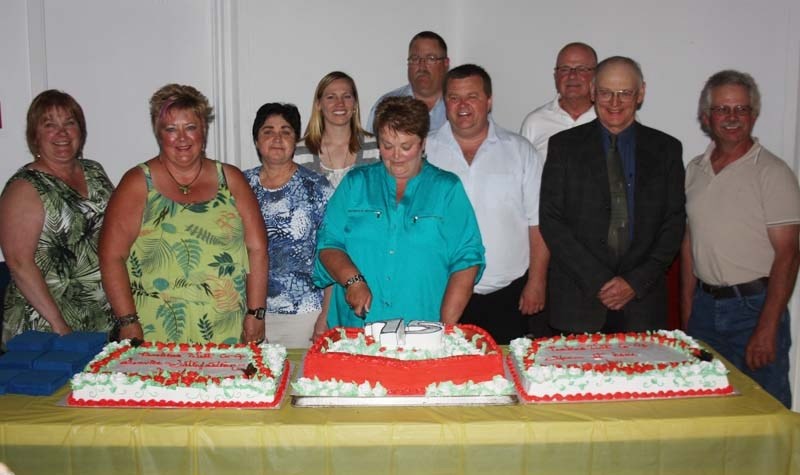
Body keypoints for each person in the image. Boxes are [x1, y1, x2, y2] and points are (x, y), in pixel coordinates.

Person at [99, 84, 268, 344]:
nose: (182, 138)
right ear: (159, 133)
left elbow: (257, 249)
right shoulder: (137, 183)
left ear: (204, 130)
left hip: (228, 330)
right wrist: (127, 321)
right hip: (154, 330)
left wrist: (256, 313)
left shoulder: (231, 179)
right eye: (171, 129)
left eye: (190, 127)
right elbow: (112, 257)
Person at [540, 56, 685, 334]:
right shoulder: (563, 147)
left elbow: (674, 223)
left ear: (640, 93)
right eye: (606, 92)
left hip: (642, 302)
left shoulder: (666, 149)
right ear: (593, 91)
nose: (614, 102)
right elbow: (551, 219)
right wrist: (599, 281)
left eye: (624, 93)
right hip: (578, 301)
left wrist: (634, 282)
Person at [681, 70, 799, 408]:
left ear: (753, 115)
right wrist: (688, 309)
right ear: (707, 117)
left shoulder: (772, 173)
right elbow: (690, 243)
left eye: (741, 109)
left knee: (766, 412)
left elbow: (789, 255)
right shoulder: (694, 170)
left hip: (754, 310)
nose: (732, 118)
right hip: (704, 309)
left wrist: (767, 327)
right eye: (722, 109)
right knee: (710, 411)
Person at [314, 96, 484, 328]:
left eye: (406, 147)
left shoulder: (447, 189)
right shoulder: (356, 183)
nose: (396, 156)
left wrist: (446, 325)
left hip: (422, 325)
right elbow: (328, 242)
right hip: (359, 325)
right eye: (387, 146)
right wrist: (352, 280)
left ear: (423, 143)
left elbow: (467, 258)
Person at [426, 64, 547, 344]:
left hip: (508, 294)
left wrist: (537, 282)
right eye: (454, 98)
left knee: (504, 375)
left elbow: (537, 223)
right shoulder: (425, 151)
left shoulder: (520, 151)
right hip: (440, 291)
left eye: (473, 96)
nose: (463, 105)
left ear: (489, 101)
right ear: (445, 103)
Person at [0, 90, 114, 346]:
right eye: (50, 125)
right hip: (45, 325)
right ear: (35, 136)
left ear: (80, 131)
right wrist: (60, 327)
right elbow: (19, 263)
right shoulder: (24, 187)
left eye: (69, 123)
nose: (61, 133)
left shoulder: (94, 171)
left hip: (99, 318)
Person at [244, 103, 333, 347]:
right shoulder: (239, 186)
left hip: (304, 316)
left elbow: (334, 252)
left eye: (286, 131)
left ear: (295, 140)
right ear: (256, 140)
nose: (277, 138)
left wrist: (325, 316)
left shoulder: (317, 188)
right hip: (247, 314)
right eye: (268, 131)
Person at [294, 71, 379, 189]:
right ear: (318, 104)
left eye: (347, 96)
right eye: (331, 97)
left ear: (355, 104)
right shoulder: (298, 152)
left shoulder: (377, 148)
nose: (340, 103)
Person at [519, 42, 598, 160]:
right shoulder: (535, 122)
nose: (572, 76)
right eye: (564, 69)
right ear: (556, 76)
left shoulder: (612, 119)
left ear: (596, 75)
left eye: (581, 69)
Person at [366, 31, 449, 133]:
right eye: (415, 59)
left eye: (431, 59)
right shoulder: (387, 106)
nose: (422, 66)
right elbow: (372, 147)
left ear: (446, 63)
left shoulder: (458, 105)